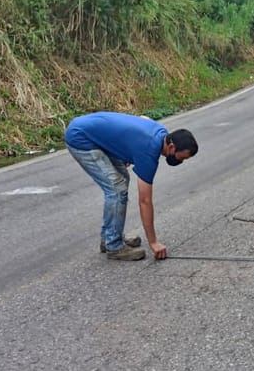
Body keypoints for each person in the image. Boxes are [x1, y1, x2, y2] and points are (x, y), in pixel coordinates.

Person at [65, 111, 198, 261]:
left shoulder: (161, 133)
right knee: (117, 189)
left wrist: (125, 151)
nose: (182, 161)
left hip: (89, 128)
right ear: (172, 147)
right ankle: (114, 247)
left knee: (122, 178)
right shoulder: (149, 152)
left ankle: (109, 236)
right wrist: (153, 242)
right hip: (81, 138)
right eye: (182, 157)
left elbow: (143, 118)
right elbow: (145, 201)